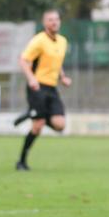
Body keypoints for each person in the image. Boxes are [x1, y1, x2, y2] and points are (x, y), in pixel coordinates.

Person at [15, 10, 71, 170]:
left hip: (52, 87)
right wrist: (31, 78)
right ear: (44, 23)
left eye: (56, 19)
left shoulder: (62, 41)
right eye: (50, 20)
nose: (54, 22)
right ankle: (21, 161)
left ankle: (32, 113)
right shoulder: (38, 40)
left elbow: (57, 62)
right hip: (37, 86)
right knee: (38, 126)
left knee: (60, 125)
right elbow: (23, 60)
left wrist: (63, 77)